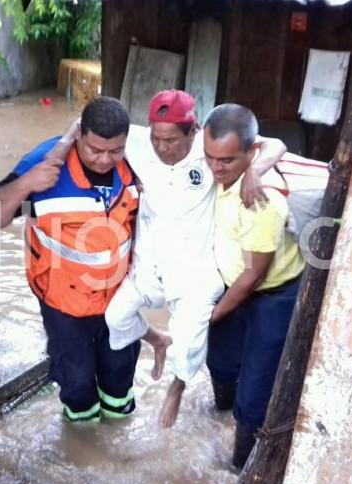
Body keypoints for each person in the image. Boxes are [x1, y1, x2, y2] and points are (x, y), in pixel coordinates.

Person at [103, 91, 287, 428]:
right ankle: (157, 340)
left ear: (193, 132)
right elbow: (85, 128)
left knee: (188, 343)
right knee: (115, 318)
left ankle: (178, 386)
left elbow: (273, 144)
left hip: (195, 270)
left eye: (171, 140)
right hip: (150, 263)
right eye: (157, 138)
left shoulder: (213, 152)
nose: (162, 148)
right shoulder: (141, 143)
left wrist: (256, 171)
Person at [0, 97, 141, 423]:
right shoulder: (46, 164)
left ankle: (116, 441)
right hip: (64, 306)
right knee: (76, 386)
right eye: (95, 150)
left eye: (115, 151)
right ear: (79, 136)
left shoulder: (137, 161)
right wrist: (27, 184)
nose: (105, 159)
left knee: (120, 383)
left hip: (120, 303)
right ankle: (82, 442)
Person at [203, 103, 304, 468]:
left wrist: (211, 316)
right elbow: (273, 143)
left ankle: (238, 468)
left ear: (250, 152)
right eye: (209, 157)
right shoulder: (222, 166)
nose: (215, 168)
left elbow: (253, 277)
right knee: (220, 363)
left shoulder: (261, 201)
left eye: (226, 161)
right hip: (235, 286)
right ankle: (218, 416)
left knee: (255, 395)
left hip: (271, 295)